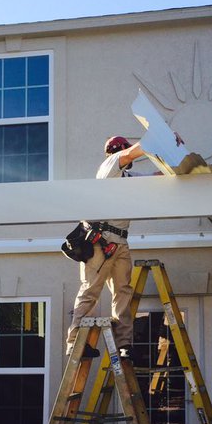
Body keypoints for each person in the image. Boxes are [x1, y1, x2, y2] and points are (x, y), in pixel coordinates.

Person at [65, 135, 149, 359]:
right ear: (118, 150)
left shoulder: (128, 177)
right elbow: (131, 154)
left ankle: (124, 343)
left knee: (123, 292)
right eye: (125, 150)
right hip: (103, 241)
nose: (129, 155)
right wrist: (160, 140)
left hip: (120, 242)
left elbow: (155, 178)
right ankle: (74, 342)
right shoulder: (110, 165)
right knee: (91, 290)